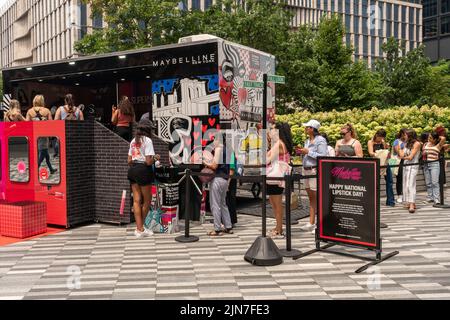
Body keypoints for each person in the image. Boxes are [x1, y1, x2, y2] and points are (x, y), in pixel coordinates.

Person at [127, 119, 159, 238]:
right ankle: (140, 228)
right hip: (143, 171)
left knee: (136, 200)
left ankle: (140, 228)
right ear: (148, 130)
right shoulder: (148, 141)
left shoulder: (133, 141)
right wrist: (155, 158)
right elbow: (148, 161)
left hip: (133, 170)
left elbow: (129, 160)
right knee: (147, 200)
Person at [297, 120, 328, 234]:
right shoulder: (307, 140)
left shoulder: (320, 140)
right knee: (311, 197)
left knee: (317, 197)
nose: (305, 129)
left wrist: (308, 152)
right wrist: (302, 152)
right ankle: (311, 222)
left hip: (315, 170)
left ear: (312, 129)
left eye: (307, 127)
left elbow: (323, 156)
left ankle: (320, 224)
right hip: (306, 170)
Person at [266, 122, 294, 238]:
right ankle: (278, 227)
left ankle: (279, 229)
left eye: (272, 129)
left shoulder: (279, 144)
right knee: (274, 203)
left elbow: (267, 160)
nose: (270, 131)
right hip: (275, 177)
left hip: (275, 176)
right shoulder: (280, 143)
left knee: (276, 204)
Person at [204, 133, 233, 236]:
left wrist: (205, 163)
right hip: (225, 179)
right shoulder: (228, 150)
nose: (213, 142)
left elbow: (214, 166)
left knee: (215, 204)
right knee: (223, 203)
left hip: (217, 179)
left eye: (214, 139)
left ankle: (217, 228)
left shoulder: (218, 149)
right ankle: (228, 226)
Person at [368, 129, 395, 206]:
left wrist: (386, 148)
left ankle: (390, 201)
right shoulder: (371, 142)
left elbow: (387, 154)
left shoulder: (383, 142)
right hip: (376, 163)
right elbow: (370, 153)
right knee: (376, 183)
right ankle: (374, 201)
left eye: (382, 137)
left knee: (389, 181)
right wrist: (380, 153)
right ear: (376, 135)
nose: (380, 139)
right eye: (379, 137)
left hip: (385, 163)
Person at [399, 129, 421, 213]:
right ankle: (410, 202)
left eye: (405, 135)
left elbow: (411, 157)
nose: (404, 136)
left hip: (413, 166)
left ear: (410, 135)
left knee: (410, 185)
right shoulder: (406, 143)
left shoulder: (417, 144)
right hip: (406, 166)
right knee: (405, 184)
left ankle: (412, 204)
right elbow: (401, 154)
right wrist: (401, 149)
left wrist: (402, 156)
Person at [423, 131, 447, 205]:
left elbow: (443, 138)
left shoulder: (438, 146)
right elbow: (423, 153)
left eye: (430, 137)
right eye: (428, 137)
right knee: (428, 183)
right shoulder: (425, 144)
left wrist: (436, 136)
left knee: (435, 182)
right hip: (426, 164)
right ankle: (430, 198)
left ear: (435, 139)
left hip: (434, 164)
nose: (429, 139)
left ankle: (436, 199)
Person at [392, 128, 408, 204]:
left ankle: (405, 195)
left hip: (407, 161)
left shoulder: (409, 142)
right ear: (401, 134)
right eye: (405, 134)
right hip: (398, 162)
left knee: (406, 179)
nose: (406, 135)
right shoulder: (397, 141)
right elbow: (399, 154)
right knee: (399, 178)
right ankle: (399, 195)